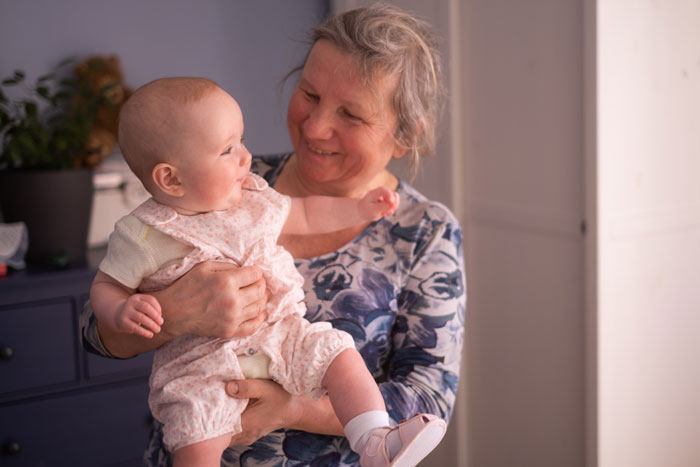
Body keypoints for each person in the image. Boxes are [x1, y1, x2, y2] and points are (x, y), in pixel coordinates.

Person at [81, 4, 466, 466]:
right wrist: (174, 313)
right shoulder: (222, 180)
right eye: (309, 93)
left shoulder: (425, 231)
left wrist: (293, 410)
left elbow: (428, 398)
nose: (316, 126)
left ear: (404, 137)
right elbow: (96, 332)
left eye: (351, 114)